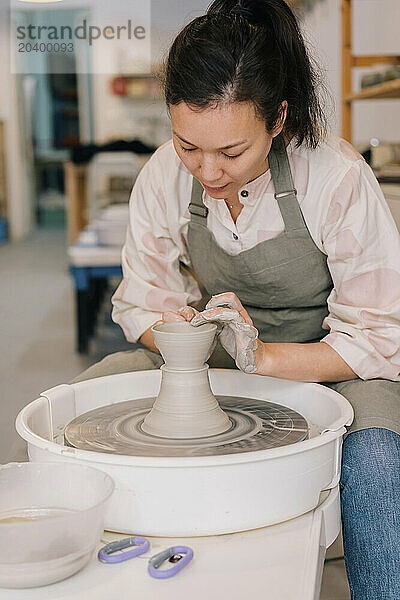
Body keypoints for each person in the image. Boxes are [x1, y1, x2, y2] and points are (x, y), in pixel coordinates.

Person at [74, 1, 400, 597]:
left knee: (378, 459)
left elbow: (381, 337)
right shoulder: (164, 175)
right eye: (187, 145)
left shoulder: (334, 176)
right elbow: (143, 299)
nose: (208, 171)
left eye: (231, 153)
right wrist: (180, 336)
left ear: (278, 120)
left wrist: (266, 360)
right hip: (212, 348)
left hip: (335, 364)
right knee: (89, 398)